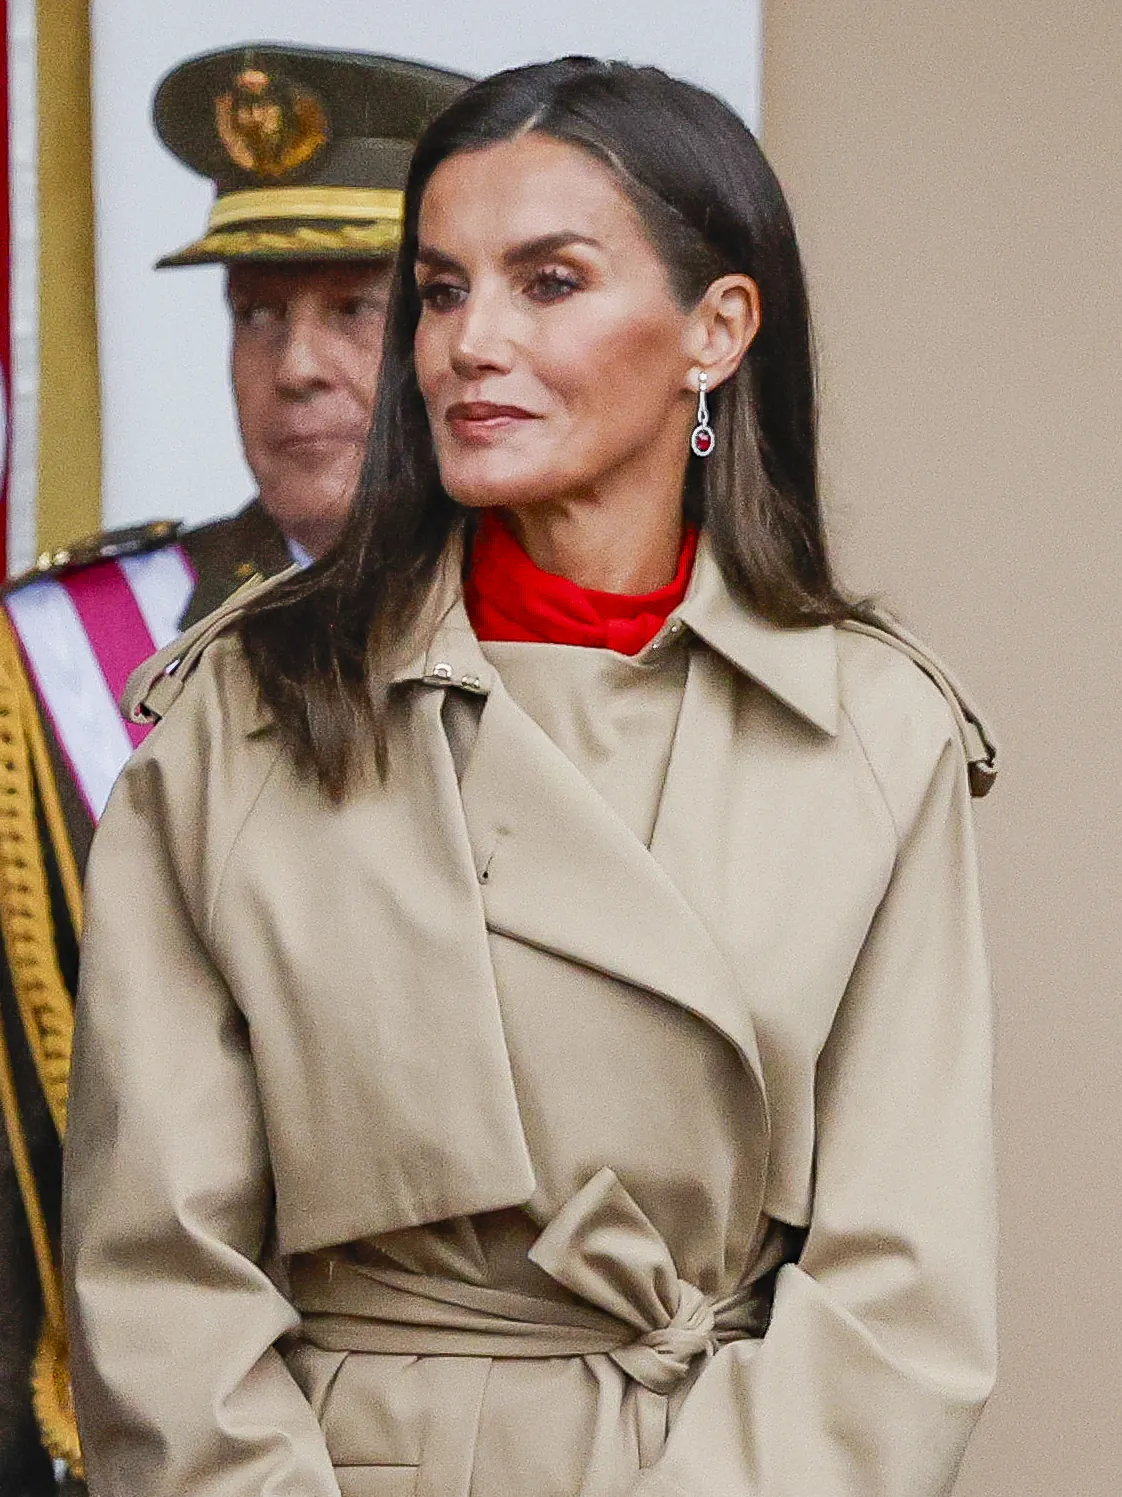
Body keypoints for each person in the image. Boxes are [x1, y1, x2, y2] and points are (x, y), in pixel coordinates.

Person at [64, 56, 1000, 1497]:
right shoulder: (241, 712)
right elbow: (156, 1274)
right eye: (440, 292)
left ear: (716, 328)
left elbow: (902, 1290)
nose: (464, 345)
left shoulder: (873, 730)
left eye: (546, 283)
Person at [0, 43, 466, 1494]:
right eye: (255, 316)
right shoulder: (68, 658)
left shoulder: (573, 624)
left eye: (352, 312)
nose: (296, 364)